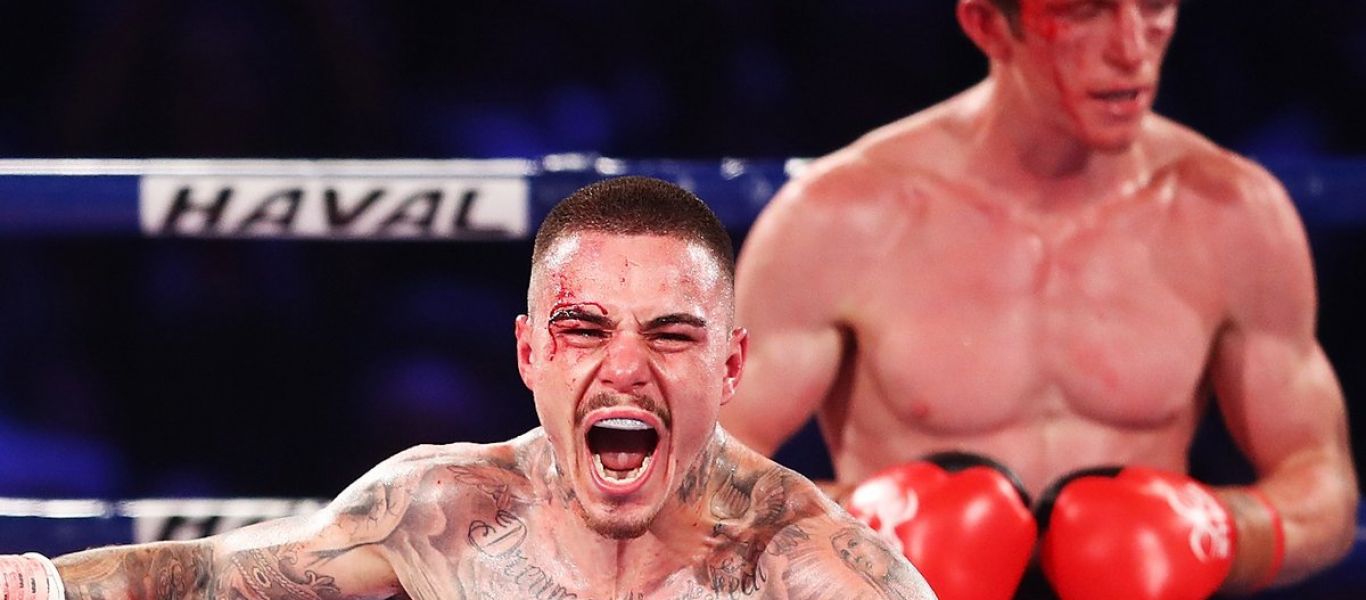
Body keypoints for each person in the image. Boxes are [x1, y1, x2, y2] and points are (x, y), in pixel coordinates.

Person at [0, 176, 934, 600]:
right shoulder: (441, 513)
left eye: (670, 334)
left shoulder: (808, 570)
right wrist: (31, 582)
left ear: (730, 366)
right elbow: (205, 576)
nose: (624, 368)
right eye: (584, 328)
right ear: (528, 353)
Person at [721, 1, 1358, 598]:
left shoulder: (1233, 215)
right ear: (989, 26)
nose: (1132, 49)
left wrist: (1221, 533)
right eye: (1084, 11)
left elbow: (1321, 480)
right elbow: (700, 476)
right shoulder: (840, 219)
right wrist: (855, 532)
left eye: (1155, 6)